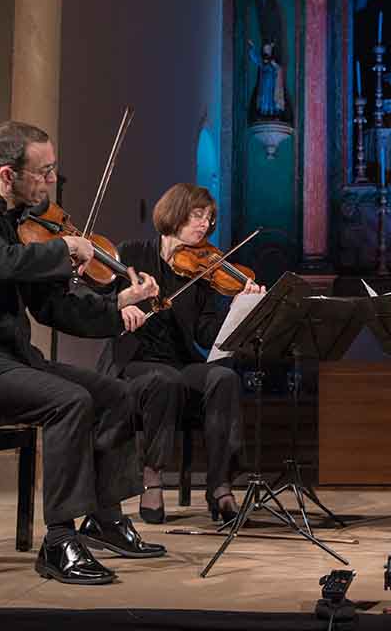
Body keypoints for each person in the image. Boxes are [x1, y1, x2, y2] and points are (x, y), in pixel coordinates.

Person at [0, 121, 180, 586]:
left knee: (116, 395)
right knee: (70, 401)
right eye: (43, 172)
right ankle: (59, 540)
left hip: (15, 358)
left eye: (52, 171)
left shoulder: (25, 227)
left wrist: (118, 302)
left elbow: (53, 308)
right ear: (8, 174)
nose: (50, 181)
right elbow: (1, 264)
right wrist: (65, 247)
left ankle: (103, 518)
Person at [98, 183, 263, 525]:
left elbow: (205, 334)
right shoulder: (133, 254)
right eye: (197, 215)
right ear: (175, 214)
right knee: (165, 380)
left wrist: (237, 306)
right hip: (133, 362)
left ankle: (220, 485)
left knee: (222, 377)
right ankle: (153, 476)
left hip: (179, 362)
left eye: (209, 218)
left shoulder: (204, 273)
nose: (205, 224)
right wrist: (121, 308)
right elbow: (101, 298)